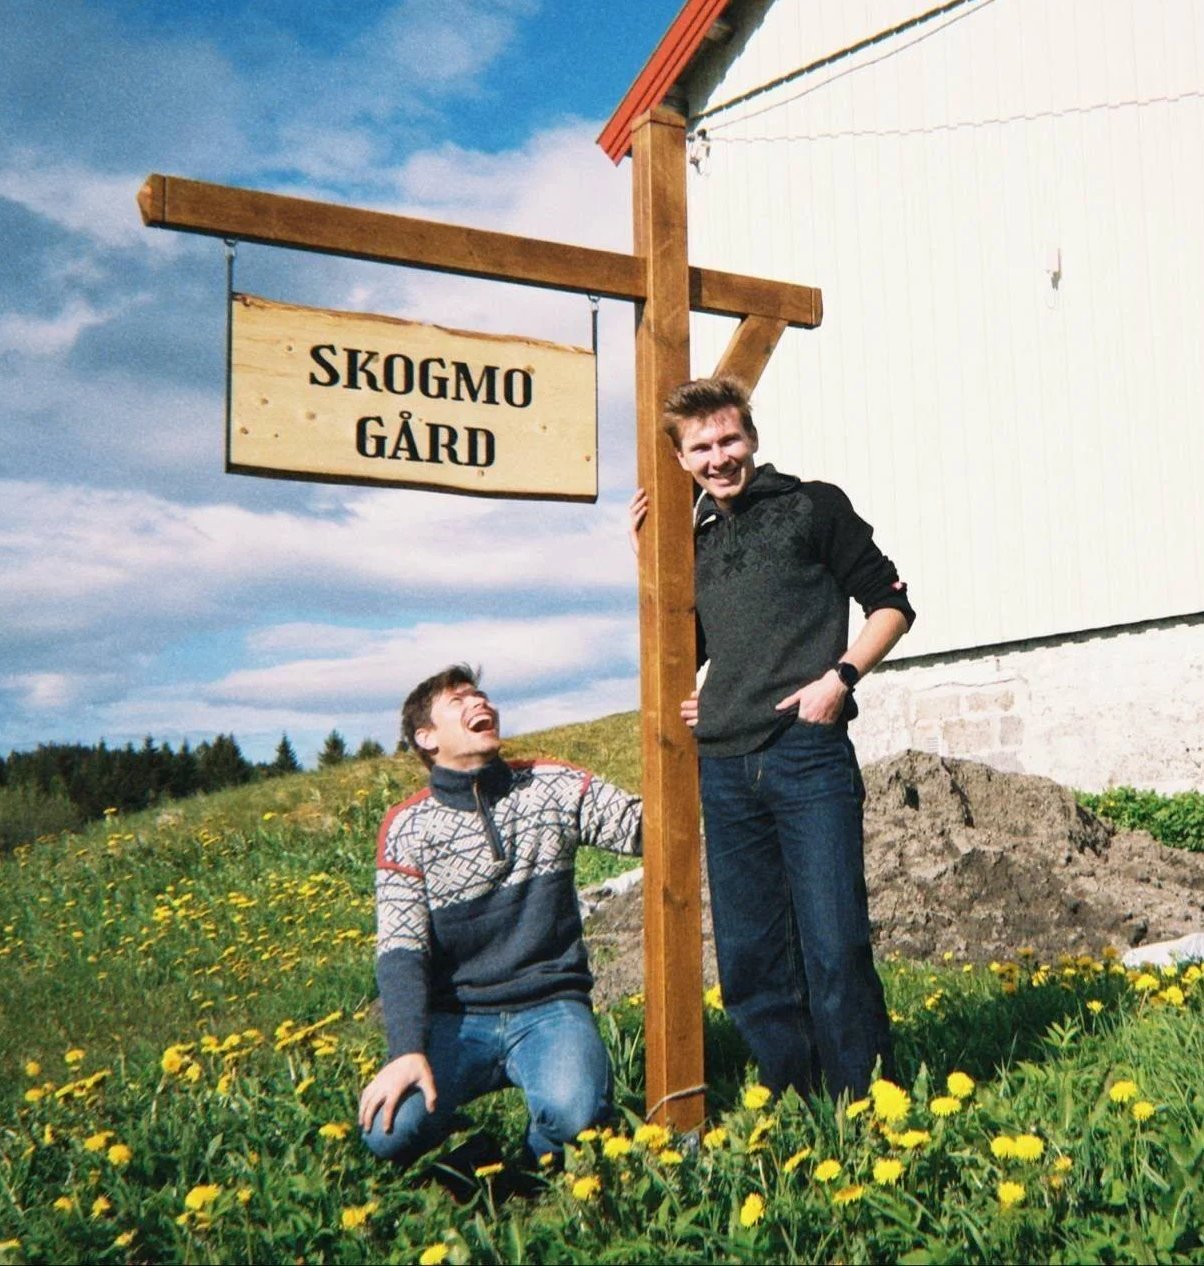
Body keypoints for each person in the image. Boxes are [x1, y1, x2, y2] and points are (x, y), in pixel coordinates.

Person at [629, 376, 915, 1102]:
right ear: (682, 458)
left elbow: (892, 604)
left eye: (728, 439)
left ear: (750, 437)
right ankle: (793, 1101)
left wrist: (839, 679)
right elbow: (686, 647)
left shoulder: (812, 505)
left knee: (835, 942)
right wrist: (646, 559)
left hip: (805, 752)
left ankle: (868, 1102)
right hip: (723, 766)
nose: (718, 456)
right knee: (752, 954)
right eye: (701, 447)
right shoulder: (693, 536)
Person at [358, 664, 642, 1168]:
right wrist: (406, 1050)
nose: (479, 704)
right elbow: (401, 950)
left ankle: (528, 1170)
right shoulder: (407, 828)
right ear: (425, 737)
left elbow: (647, 829)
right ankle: (473, 1151)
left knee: (574, 1115)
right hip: (457, 1019)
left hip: (550, 1005)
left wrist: (697, 743)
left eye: (481, 695)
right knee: (388, 1132)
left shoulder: (551, 786)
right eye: (459, 701)